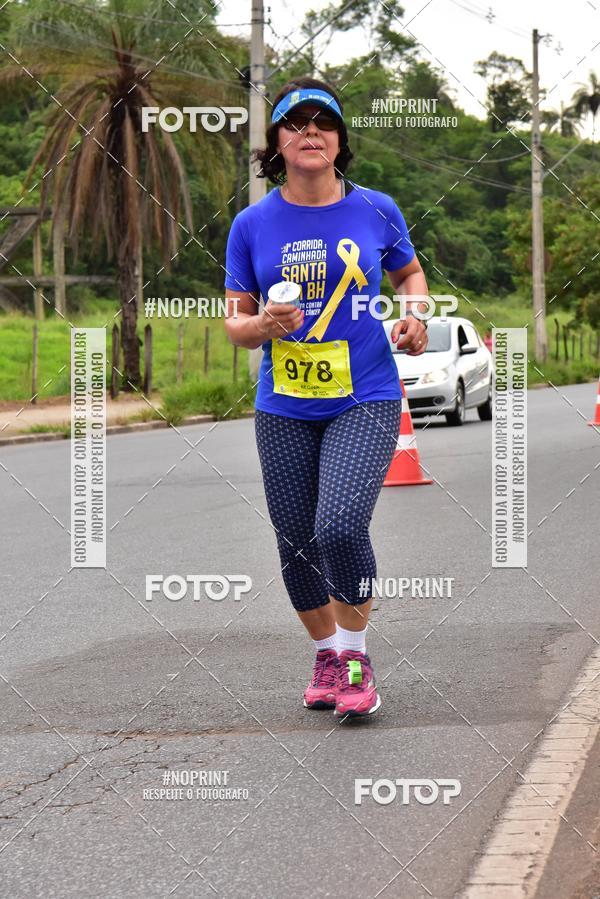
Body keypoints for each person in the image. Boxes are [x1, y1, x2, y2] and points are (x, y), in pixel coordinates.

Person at [223, 76, 428, 720]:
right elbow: (236, 321)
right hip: (283, 402)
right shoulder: (251, 224)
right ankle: (328, 653)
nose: (310, 133)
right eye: (296, 123)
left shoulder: (376, 209)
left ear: (340, 140)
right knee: (294, 539)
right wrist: (262, 327)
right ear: (276, 141)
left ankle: (358, 656)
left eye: (324, 123)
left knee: (337, 526)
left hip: (362, 393)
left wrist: (415, 314)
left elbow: (409, 274)